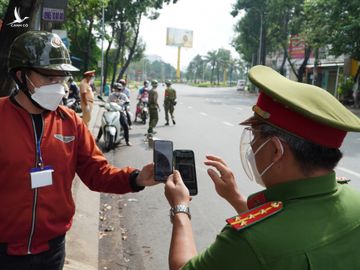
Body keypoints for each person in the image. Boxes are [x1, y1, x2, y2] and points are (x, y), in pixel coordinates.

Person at [164, 65, 360, 269]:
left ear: (276, 150)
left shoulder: (248, 242)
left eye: (254, 138)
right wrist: (236, 198)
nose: (251, 147)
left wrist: (180, 207)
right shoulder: (356, 202)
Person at [1, 30, 157, 270]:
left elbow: (98, 173)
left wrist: (136, 178)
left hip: (52, 251)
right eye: (49, 77)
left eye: (61, 78)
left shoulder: (70, 122)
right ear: (22, 76)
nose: (58, 86)